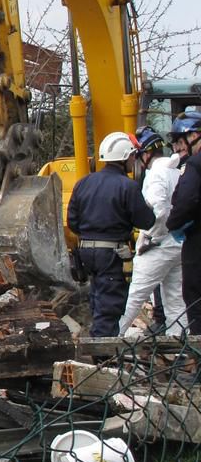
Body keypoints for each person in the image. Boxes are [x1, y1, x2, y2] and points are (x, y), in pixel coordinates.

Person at [67, 131, 155, 337]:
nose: (135, 160)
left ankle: (99, 346)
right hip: (112, 254)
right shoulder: (127, 186)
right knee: (110, 305)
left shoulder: (84, 183)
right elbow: (146, 221)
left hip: (86, 252)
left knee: (97, 299)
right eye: (133, 156)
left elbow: (72, 221)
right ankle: (104, 358)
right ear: (126, 157)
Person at [116, 126, 184, 338]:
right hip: (178, 244)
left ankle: (109, 343)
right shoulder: (174, 170)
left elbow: (159, 210)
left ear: (146, 154)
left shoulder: (156, 174)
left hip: (158, 246)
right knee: (176, 303)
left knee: (133, 299)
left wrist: (152, 237)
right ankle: (180, 350)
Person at [166, 110, 201, 337]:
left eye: (180, 142)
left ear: (194, 135)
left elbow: (186, 201)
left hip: (198, 244)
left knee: (196, 300)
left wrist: (173, 224)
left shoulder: (195, 165)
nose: (178, 149)